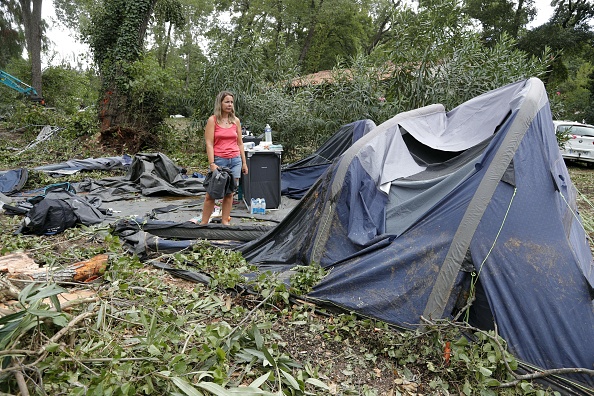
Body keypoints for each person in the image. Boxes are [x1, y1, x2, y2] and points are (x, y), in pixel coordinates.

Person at [200, 91, 248, 225]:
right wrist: (212, 163)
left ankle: (224, 222)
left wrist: (244, 163)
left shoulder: (235, 121)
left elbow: (240, 143)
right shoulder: (213, 120)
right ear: (220, 103)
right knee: (211, 194)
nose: (230, 104)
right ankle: (203, 223)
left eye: (231, 102)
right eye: (227, 101)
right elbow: (209, 143)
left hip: (235, 161)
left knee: (230, 193)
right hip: (220, 161)